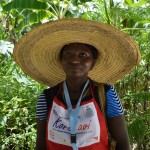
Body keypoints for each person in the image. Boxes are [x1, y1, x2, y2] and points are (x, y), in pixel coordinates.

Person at [13, 18, 141, 150]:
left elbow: (122, 142)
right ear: (61, 60)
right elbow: (40, 146)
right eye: (68, 54)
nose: (74, 60)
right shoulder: (46, 98)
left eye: (83, 55)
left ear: (93, 62)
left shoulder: (106, 93)